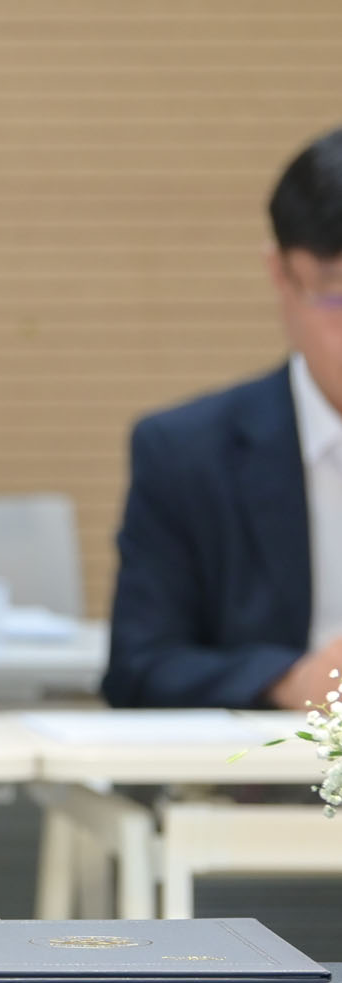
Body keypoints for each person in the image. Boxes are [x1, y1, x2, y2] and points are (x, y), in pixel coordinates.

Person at [104, 125, 342, 709]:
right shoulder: (185, 453)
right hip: (273, 763)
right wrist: (293, 683)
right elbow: (141, 668)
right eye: (337, 298)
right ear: (280, 275)